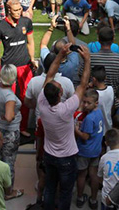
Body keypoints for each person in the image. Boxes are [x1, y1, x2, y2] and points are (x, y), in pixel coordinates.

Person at [39, 39, 91, 210]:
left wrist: (60, 55)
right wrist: (87, 60)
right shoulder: (66, 109)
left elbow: (49, 76)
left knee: (50, 187)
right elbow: (83, 85)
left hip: (49, 155)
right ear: (61, 93)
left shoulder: (42, 102)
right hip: (66, 158)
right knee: (66, 191)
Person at [0, 64, 24, 200]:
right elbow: (10, 117)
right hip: (10, 132)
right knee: (8, 162)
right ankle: (8, 192)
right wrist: (10, 115)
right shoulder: (9, 96)